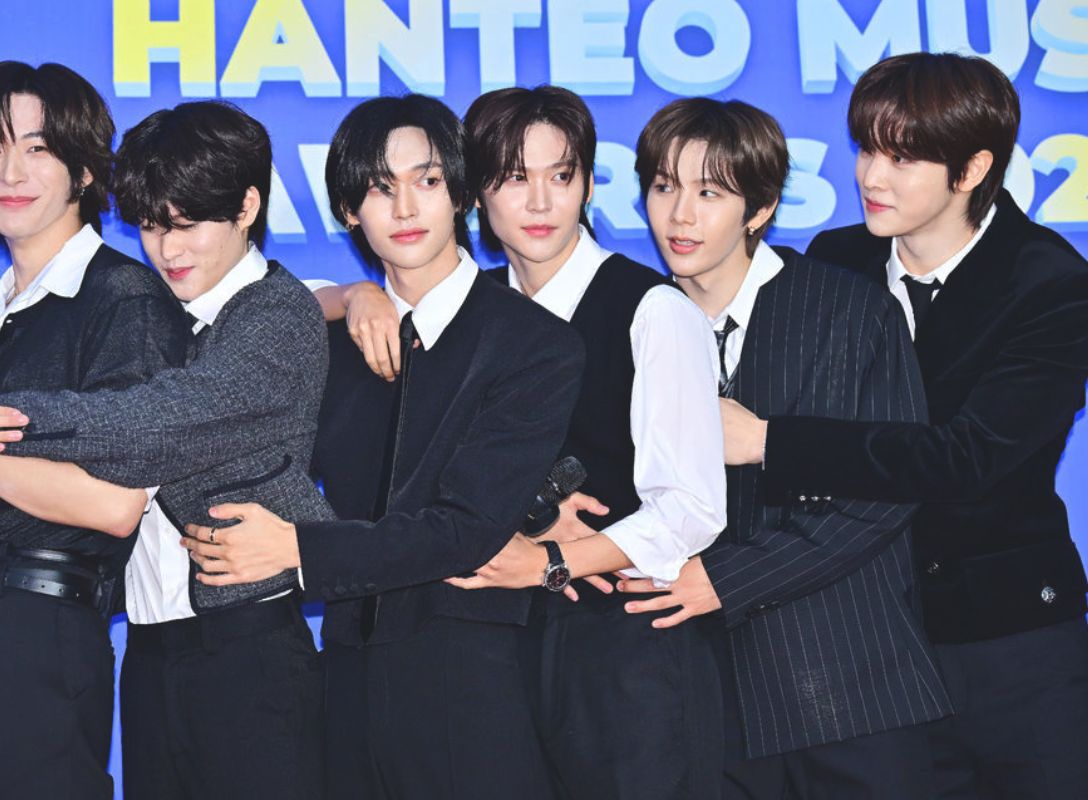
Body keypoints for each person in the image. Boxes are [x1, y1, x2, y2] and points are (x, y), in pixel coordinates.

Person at [179, 94, 584, 799]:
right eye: (378, 188)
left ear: (461, 193)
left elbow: (465, 530)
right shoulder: (327, 349)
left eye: (427, 181)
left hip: (477, 683)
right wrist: (345, 297)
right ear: (347, 211)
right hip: (345, 684)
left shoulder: (535, 344)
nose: (404, 208)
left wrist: (296, 548)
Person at [721, 52, 1088, 799]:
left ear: (973, 168)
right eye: (866, 148)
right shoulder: (836, 260)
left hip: (1008, 642)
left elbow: (968, 459)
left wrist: (770, 441)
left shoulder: (1051, 284)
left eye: (903, 158)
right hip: (860, 646)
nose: (871, 176)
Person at [0, 101, 330, 799]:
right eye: (151, 226)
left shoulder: (277, 315)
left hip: (249, 652)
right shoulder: (146, 311)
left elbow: (152, 427)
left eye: (188, 224)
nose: (169, 250)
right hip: (146, 651)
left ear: (247, 206)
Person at [616, 97, 950, 799]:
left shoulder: (848, 309)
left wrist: (725, 578)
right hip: (696, 703)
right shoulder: (629, 319)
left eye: (710, 193)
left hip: (848, 689)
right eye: (664, 187)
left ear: (760, 208)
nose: (680, 216)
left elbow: (885, 494)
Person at [0, 61, 187, 799]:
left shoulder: (124, 300)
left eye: (38, 148)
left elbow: (115, 505)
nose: (11, 172)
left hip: (41, 636)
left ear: (83, 169)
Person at [429, 85, 726, 800]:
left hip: (625, 648)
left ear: (588, 185)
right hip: (488, 652)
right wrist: (354, 299)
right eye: (513, 178)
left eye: (560, 176)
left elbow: (691, 507)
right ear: (476, 195)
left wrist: (550, 562)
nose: (540, 202)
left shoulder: (653, 309)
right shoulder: (465, 313)